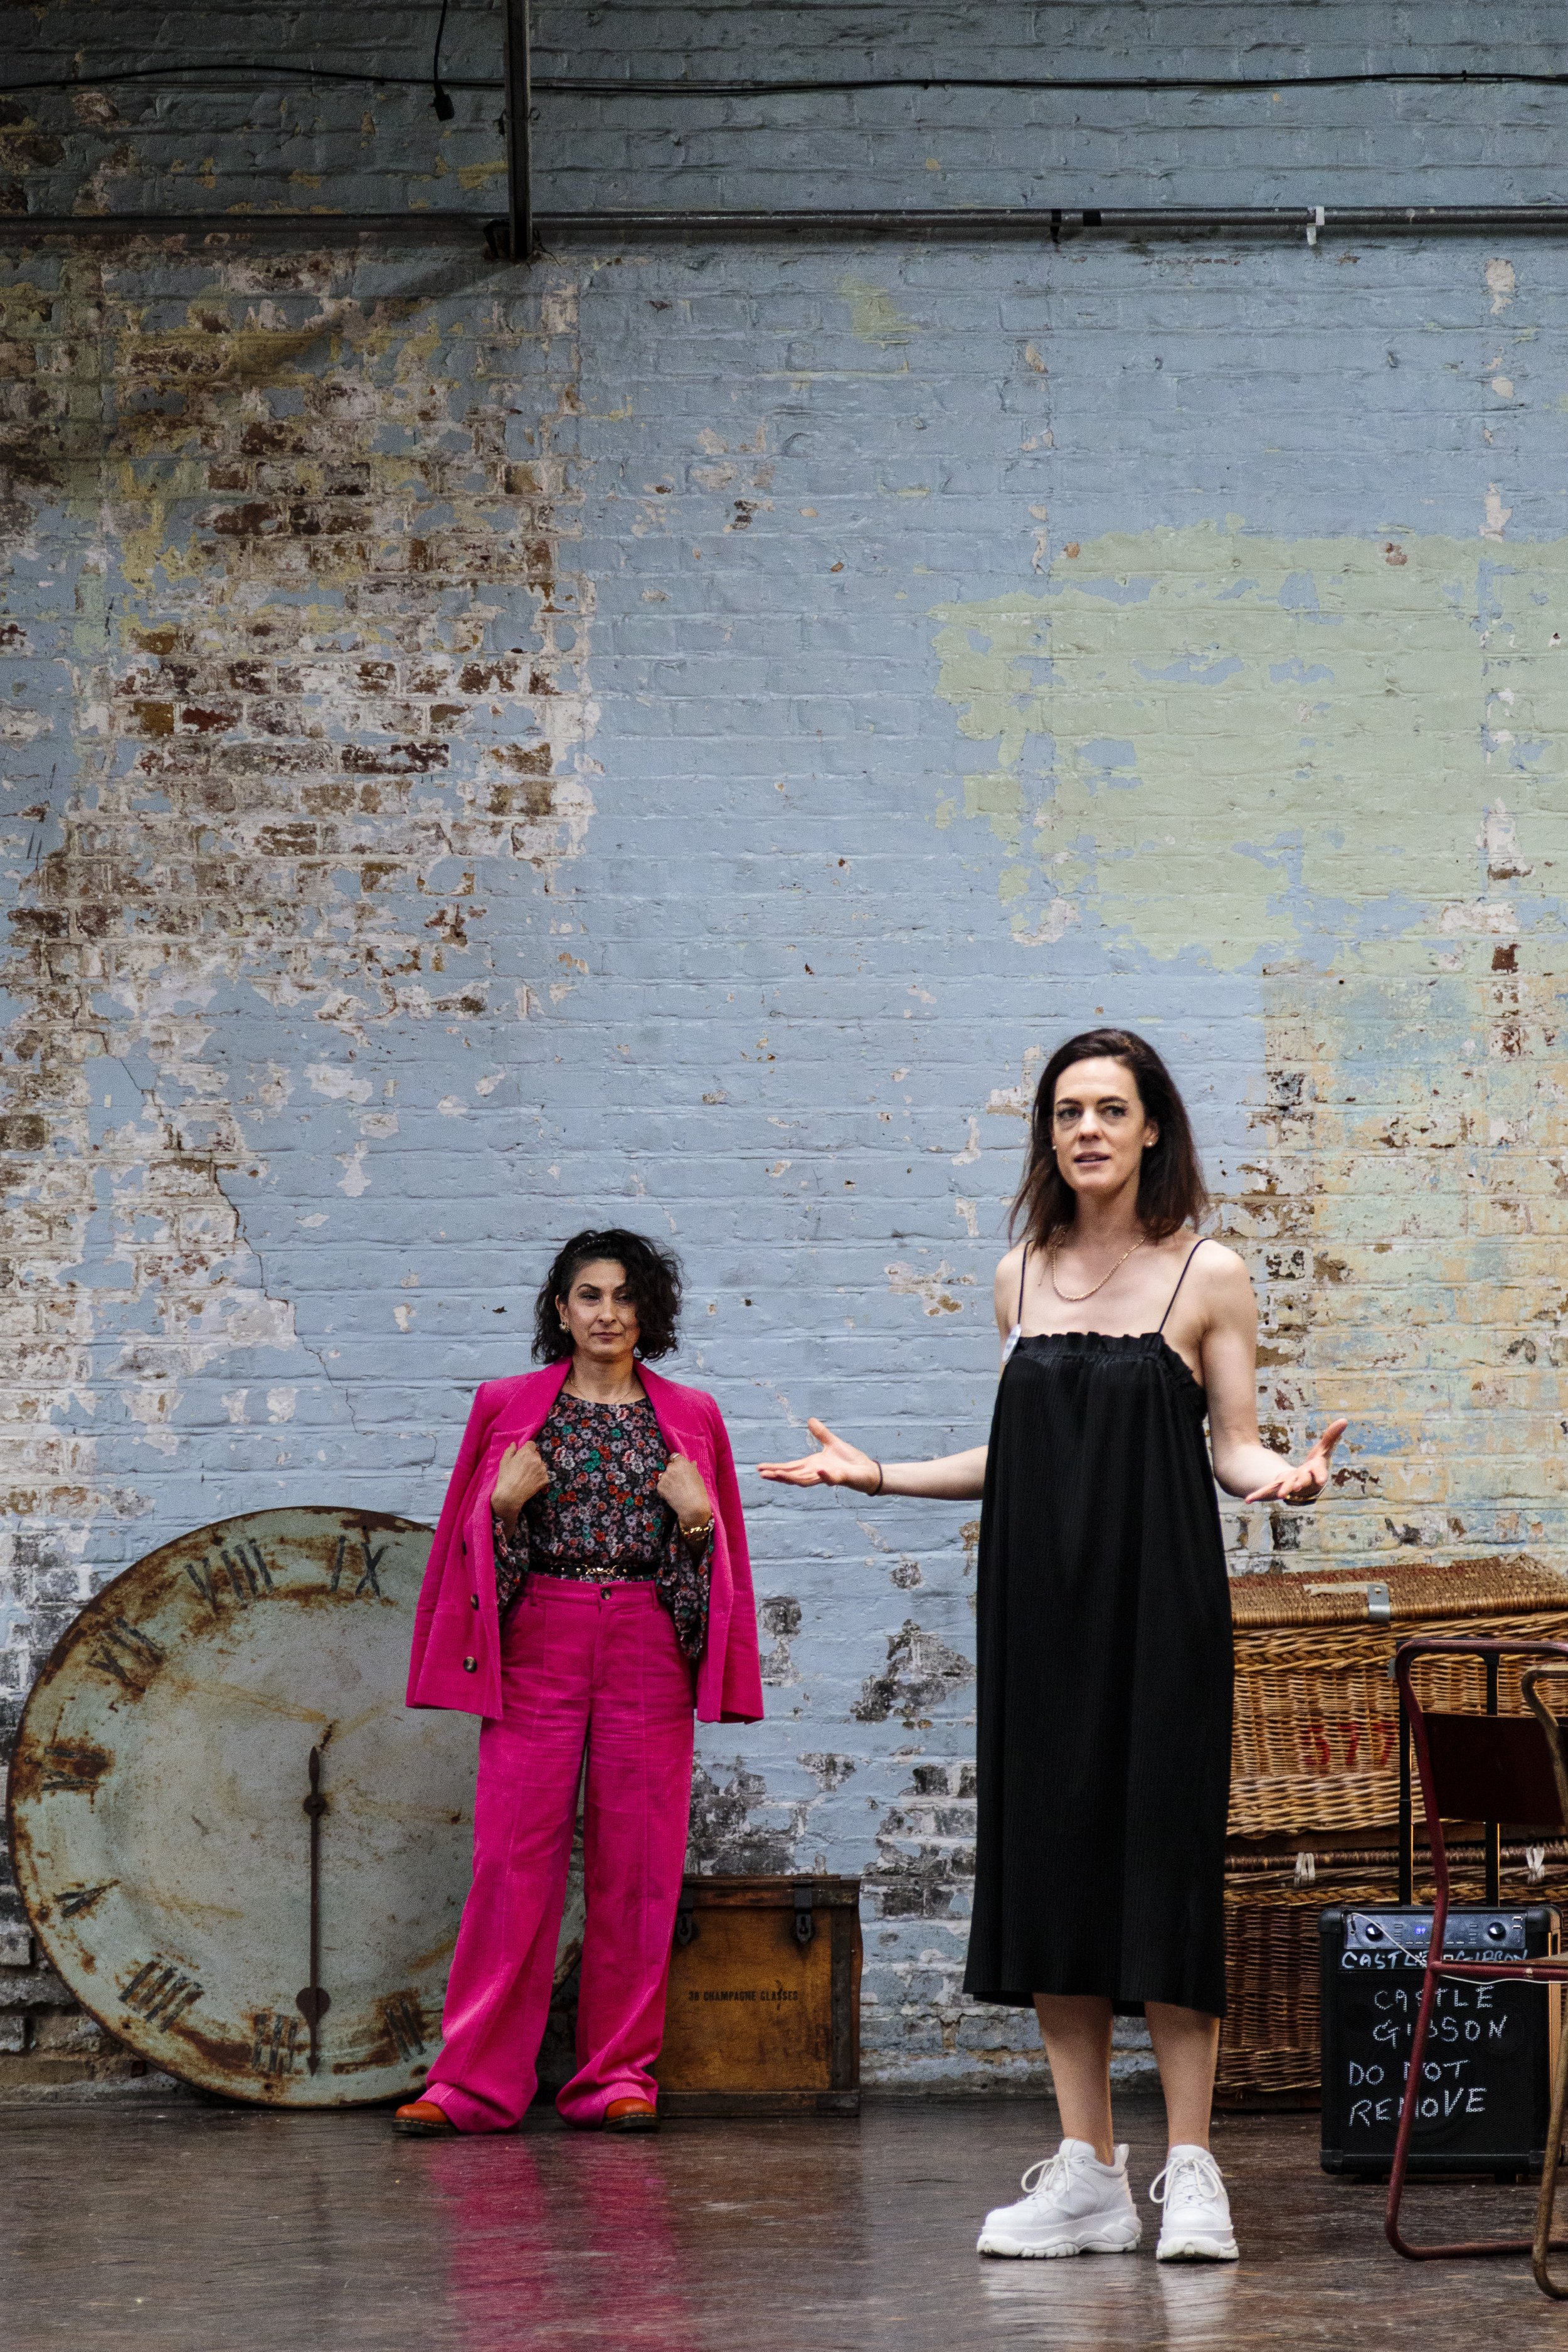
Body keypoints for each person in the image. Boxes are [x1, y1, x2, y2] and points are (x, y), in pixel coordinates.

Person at [759, 1029, 1345, 2262]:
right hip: (1038, 1613)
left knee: (1160, 1870)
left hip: (1160, 1606)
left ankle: (1190, 2171)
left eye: (1109, 1110)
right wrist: (875, 1477)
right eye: (1066, 1110)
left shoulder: (1207, 1276)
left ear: (1149, 1132)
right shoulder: (1016, 1277)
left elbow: (1229, 1447)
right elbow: (1021, 1457)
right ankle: (1082, 2171)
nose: (1085, 1128)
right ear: (1050, 1135)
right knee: (1055, 1871)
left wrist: (1277, 1484)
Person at [396, 1228, 764, 2136]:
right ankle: (473, 2084)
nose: (608, 1312)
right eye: (589, 1294)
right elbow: (469, 1548)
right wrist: (506, 1504)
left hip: (645, 1639)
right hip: (539, 1640)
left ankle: (616, 2076)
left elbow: (713, 1565)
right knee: (508, 1863)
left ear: (650, 1312)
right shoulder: (507, 1404)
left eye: (625, 1296)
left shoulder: (694, 1416)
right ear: (560, 1309)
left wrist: (693, 1520)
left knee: (638, 1867)